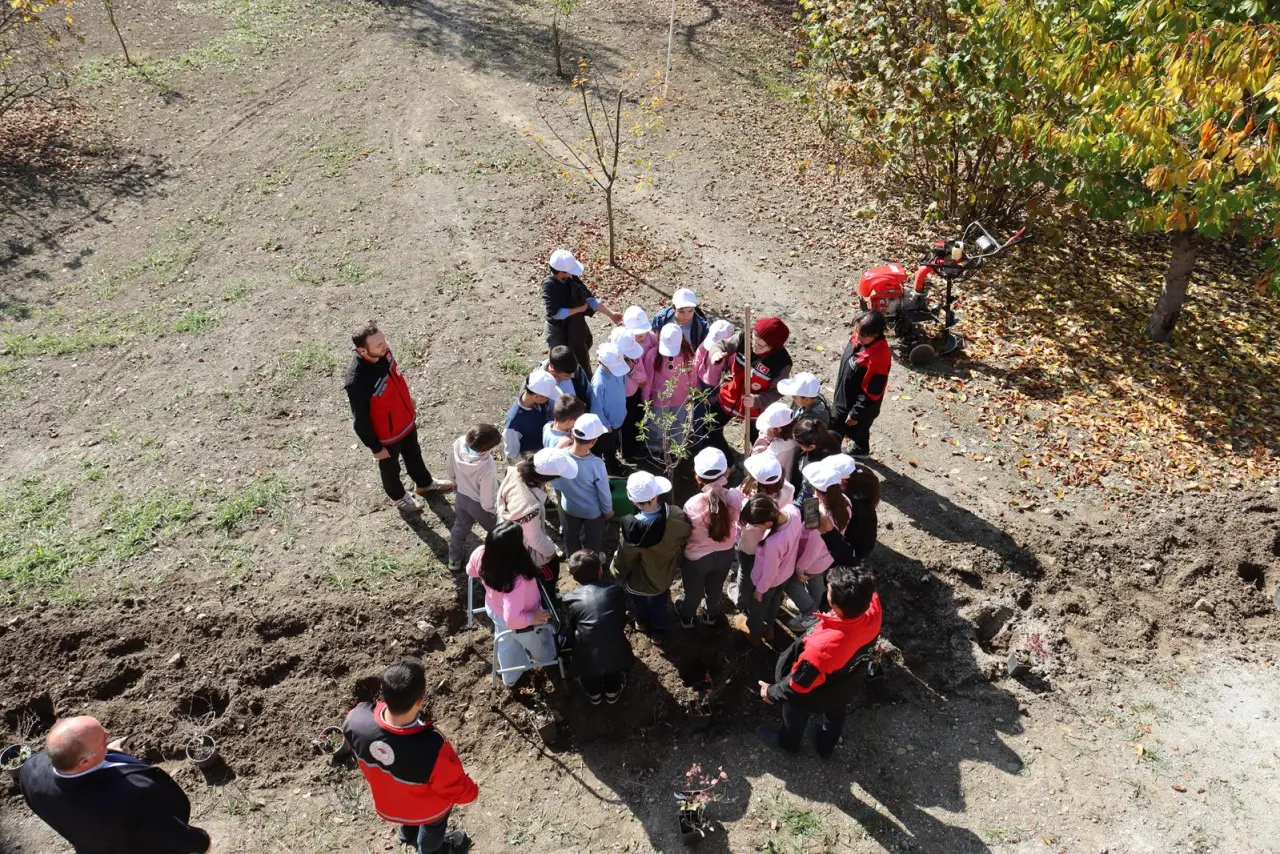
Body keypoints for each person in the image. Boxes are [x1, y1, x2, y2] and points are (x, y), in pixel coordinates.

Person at [17, 715, 212, 854]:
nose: (109, 734)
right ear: (85, 761)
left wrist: (104, 752)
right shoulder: (131, 798)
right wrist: (202, 842)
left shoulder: (30, 772)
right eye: (103, 739)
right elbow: (174, 834)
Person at [344, 657, 477, 852]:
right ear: (420, 702)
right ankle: (433, 850)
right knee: (433, 826)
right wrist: (472, 791)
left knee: (403, 790)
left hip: (389, 802)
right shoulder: (432, 747)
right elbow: (455, 788)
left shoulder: (356, 720)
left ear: (385, 694)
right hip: (427, 810)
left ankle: (407, 834)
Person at [757, 565, 882, 758]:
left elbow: (798, 684)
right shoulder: (872, 607)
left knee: (795, 713)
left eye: (829, 589)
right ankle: (826, 744)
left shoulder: (823, 648)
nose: (826, 589)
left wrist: (771, 693)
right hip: (847, 680)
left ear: (836, 605)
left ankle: (788, 742)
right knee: (837, 708)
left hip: (814, 693)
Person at [346, 323, 454, 518]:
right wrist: (376, 447)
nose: (385, 345)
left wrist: (409, 402)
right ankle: (398, 496)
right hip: (386, 436)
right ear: (362, 350)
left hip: (405, 420)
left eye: (384, 340)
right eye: (378, 344)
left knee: (414, 454)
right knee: (390, 469)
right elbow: (360, 420)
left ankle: (424, 483)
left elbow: (397, 379)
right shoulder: (356, 381)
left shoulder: (384, 354)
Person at [466, 523, 557, 686]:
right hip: (522, 621)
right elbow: (512, 619)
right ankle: (549, 659)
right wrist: (532, 617)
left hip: (495, 609)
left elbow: (470, 571)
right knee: (539, 644)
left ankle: (512, 676)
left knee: (506, 643)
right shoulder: (517, 580)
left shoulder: (480, 553)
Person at [613, 471, 691, 636]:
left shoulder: (630, 529)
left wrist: (617, 571)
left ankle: (641, 623)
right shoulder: (676, 515)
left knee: (639, 604)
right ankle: (658, 634)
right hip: (663, 578)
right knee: (659, 605)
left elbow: (624, 559)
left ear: (633, 499)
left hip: (637, 582)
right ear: (656, 494)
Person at [705, 316, 793, 451]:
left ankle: (757, 465)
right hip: (730, 396)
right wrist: (716, 353)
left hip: (755, 409)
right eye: (753, 340)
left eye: (759, 345)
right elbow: (721, 345)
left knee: (758, 438)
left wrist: (758, 400)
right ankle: (728, 462)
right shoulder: (743, 338)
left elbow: (777, 391)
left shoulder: (782, 363)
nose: (753, 346)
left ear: (772, 346)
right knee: (709, 427)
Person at [678, 447, 743, 628]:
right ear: (727, 474)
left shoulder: (691, 504)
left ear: (697, 478)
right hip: (725, 553)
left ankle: (687, 617)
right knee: (715, 588)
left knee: (692, 591)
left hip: (696, 558)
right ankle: (710, 616)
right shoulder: (735, 498)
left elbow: (686, 531)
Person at [785, 461, 852, 632]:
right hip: (826, 558)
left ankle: (810, 615)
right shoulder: (845, 502)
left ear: (819, 493)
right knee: (815, 582)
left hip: (811, 561)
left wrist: (800, 569)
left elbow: (811, 549)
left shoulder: (820, 517)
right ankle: (812, 602)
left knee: (791, 584)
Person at [560, 549, 634, 704]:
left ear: (574, 577)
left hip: (585, 656)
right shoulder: (615, 590)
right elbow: (622, 617)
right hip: (618, 651)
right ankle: (612, 691)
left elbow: (568, 630)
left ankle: (593, 693)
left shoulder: (568, 599)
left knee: (588, 667)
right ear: (600, 570)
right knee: (613, 665)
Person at [731, 494, 803, 646]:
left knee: (757, 610)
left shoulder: (774, 542)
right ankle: (769, 629)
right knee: (775, 602)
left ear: (768, 523)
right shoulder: (793, 511)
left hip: (767, 583)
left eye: (757, 525)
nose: (755, 528)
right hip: (785, 575)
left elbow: (769, 572)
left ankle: (754, 635)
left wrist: (759, 591)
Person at [541, 249, 622, 372]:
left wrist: (611, 314)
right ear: (561, 273)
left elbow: (590, 299)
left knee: (582, 349)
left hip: (574, 324)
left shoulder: (571, 278)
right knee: (561, 361)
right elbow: (556, 314)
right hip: (558, 328)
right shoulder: (549, 285)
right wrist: (580, 309)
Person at [498, 448, 576, 566]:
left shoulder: (517, 471)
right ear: (549, 478)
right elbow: (534, 538)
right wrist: (551, 554)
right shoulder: (528, 506)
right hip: (521, 546)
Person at [833, 310, 891, 458]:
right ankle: (861, 449)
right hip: (844, 396)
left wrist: (856, 413)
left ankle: (833, 455)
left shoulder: (879, 358)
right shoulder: (859, 337)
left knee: (839, 430)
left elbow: (872, 391)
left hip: (856, 406)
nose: (858, 337)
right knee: (860, 431)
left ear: (876, 334)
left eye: (863, 335)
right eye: (856, 331)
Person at [553, 413, 613, 555]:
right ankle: (592, 561)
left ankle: (573, 559)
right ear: (593, 442)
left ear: (572, 434)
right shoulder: (596, 464)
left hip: (569, 507)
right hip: (592, 512)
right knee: (593, 541)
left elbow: (555, 482)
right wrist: (608, 511)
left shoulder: (560, 457)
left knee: (571, 537)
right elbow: (604, 493)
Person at [445, 424, 501, 572]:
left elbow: (449, 468)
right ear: (485, 449)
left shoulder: (458, 443)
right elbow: (487, 498)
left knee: (460, 527)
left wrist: (454, 481)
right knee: (498, 531)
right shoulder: (486, 466)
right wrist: (494, 510)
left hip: (462, 496)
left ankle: (454, 559)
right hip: (479, 505)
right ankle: (500, 558)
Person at [644, 323, 699, 456]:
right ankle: (655, 447)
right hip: (659, 398)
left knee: (678, 423)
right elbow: (648, 378)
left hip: (681, 398)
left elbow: (692, 374)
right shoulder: (653, 355)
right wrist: (645, 398)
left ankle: (676, 448)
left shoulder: (687, 354)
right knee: (657, 423)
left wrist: (694, 391)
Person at [612, 307, 657, 461]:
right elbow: (633, 373)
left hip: (642, 386)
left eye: (642, 333)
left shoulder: (651, 338)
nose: (640, 337)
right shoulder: (622, 350)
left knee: (638, 416)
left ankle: (635, 442)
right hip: (628, 390)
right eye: (636, 335)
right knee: (627, 421)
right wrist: (638, 375)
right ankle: (628, 451)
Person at [589, 341, 634, 474]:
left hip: (618, 419)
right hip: (607, 426)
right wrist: (606, 425)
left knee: (612, 446)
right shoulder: (598, 383)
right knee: (603, 446)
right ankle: (608, 469)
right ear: (600, 362)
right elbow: (596, 408)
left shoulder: (618, 372)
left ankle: (611, 461)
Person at [503, 369, 563, 461]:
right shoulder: (513, 422)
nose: (548, 399)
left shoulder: (540, 402)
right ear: (536, 396)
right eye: (547, 397)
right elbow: (512, 455)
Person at [788, 418, 843, 502]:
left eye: (799, 444)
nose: (798, 446)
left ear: (811, 447)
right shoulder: (832, 435)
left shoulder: (811, 465)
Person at [750, 401, 798, 477]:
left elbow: (755, 461)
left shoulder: (775, 449)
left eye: (769, 427)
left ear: (779, 429)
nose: (766, 429)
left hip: (776, 483)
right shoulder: (798, 434)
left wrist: (763, 438)